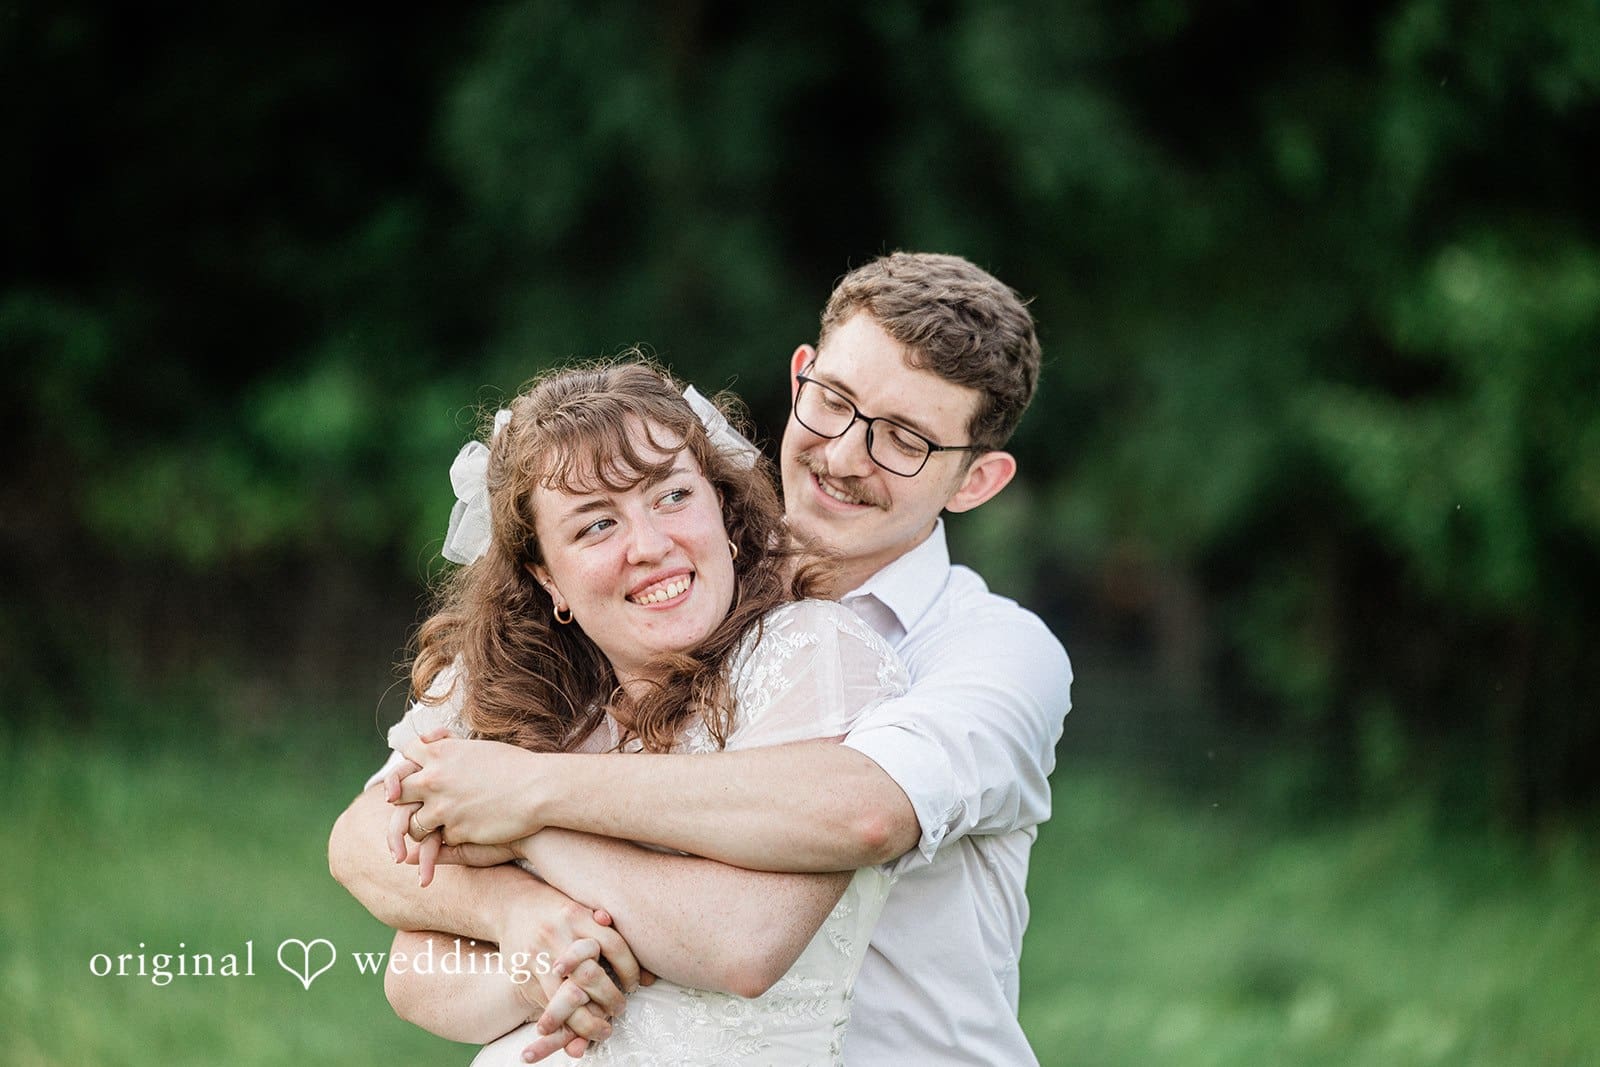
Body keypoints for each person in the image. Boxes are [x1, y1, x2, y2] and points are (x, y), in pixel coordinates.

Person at [335, 251, 1073, 1064]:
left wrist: (525, 800)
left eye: (903, 439)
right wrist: (516, 913)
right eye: (834, 402)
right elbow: (369, 837)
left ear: (976, 481)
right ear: (800, 377)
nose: (845, 455)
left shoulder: (999, 651)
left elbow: (862, 812)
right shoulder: (675, 581)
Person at [347, 359, 908, 1064]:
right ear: (547, 576)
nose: (649, 545)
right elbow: (388, 916)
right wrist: (523, 926)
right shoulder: (526, 682)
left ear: (723, 509)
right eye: (596, 524)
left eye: (672, 495)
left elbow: (740, 946)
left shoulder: (811, 651)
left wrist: (522, 826)